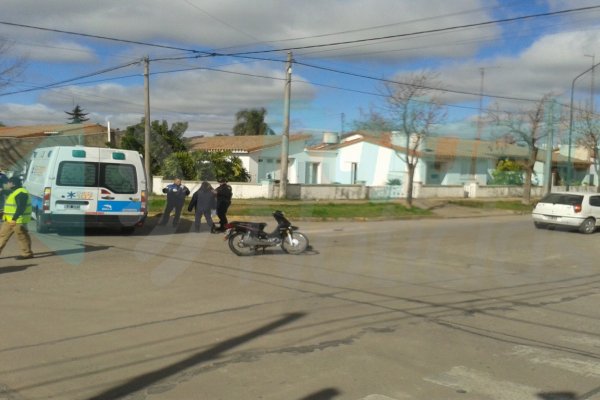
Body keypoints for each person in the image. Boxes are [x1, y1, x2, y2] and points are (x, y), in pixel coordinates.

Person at [0, 176, 34, 260]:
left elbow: (21, 207)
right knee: (2, 236)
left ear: (13, 184)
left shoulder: (21, 193)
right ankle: (27, 252)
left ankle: (26, 253)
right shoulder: (14, 191)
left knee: (22, 236)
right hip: (9, 219)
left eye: (8, 182)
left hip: (18, 220)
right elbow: (6, 193)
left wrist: (14, 219)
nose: (7, 184)